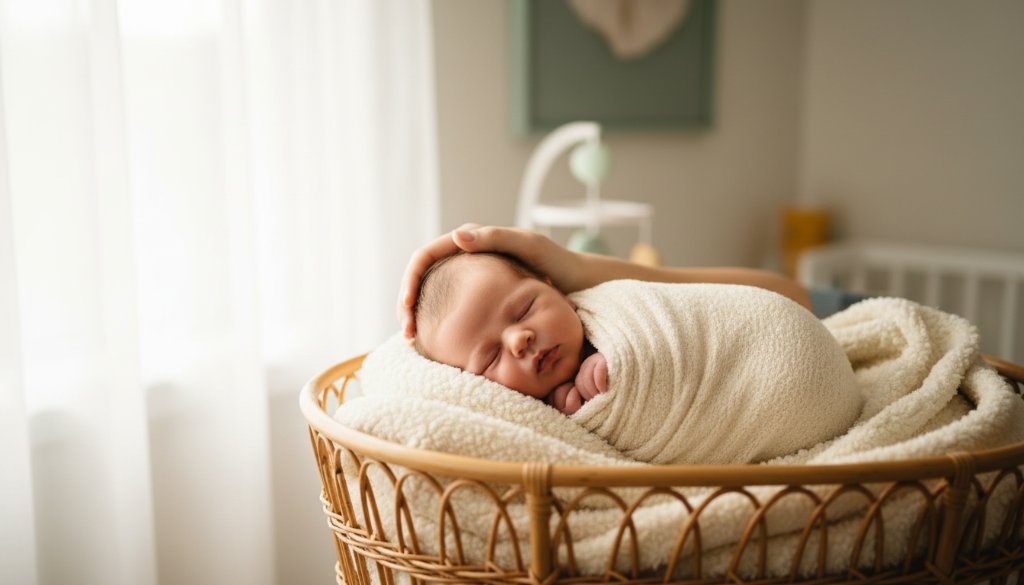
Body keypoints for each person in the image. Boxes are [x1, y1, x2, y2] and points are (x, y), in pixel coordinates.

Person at [398, 223, 812, 340]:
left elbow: (794, 300)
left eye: (524, 309)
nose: (518, 340)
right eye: (489, 361)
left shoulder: (609, 307)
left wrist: (574, 265)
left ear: (553, 285)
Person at [413, 251, 608, 415]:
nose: (518, 341)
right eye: (492, 358)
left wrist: (616, 362)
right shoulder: (523, 418)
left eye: (524, 310)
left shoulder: (611, 315)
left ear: (557, 291)